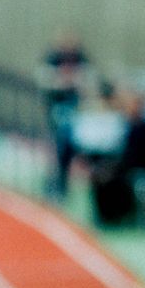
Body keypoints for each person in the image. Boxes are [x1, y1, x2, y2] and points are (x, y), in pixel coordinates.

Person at [41, 31, 92, 197]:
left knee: (69, 146)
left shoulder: (82, 58)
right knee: (58, 146)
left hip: (77, 109)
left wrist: (74, 82)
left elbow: (88, 79)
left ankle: (64, 182)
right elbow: (44, 78)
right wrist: (62, 82)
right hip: (57, 107)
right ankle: (56, 181)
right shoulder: (52, 58)